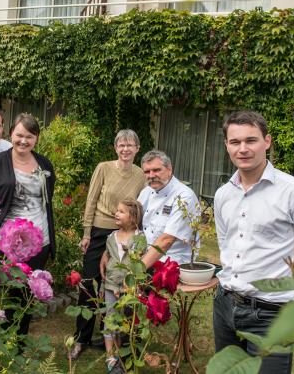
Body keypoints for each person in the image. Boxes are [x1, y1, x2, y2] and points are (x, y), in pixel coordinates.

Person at [213, 110, 294, 374]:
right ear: (227, 146)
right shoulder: (222, 195)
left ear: (267, 141)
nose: (243, 149)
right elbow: (225, 245)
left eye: (251, 140)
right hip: (224, 306)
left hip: (271, 315)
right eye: (235, 142)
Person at [69, 129, 145, 360]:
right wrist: (86, 233)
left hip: (126, 234)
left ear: (137, 149)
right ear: (115, 148)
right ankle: (81, 338)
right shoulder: (103, 168)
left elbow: (140, 208)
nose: (125, 149)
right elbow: (91, 200)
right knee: (90, 283)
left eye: (130, 145)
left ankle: (115, 337)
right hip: (100, 230)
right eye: (121, 145)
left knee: (122, 284)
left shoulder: (141, 175)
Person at [0, 113, 55, 335]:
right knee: (3, 294)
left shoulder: (44, 164)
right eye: (19, 135)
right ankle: (0, 345)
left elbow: (46, 200)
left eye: (29, 136)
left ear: (36, 139)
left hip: (38, 243)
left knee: (26, 296)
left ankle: (19, 342)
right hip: (6, 244)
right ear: (11, 133)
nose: (23, 141)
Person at [100, 198, 143, 374]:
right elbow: (109, 257)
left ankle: (124, 354)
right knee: (110, 319)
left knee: (127, 322)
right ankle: (111, 356)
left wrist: (132, 286)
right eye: (116, 210)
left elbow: (139, 264)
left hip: (129, 289)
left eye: (121, 211)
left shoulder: (140, 239)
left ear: (133, 218)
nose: (115, 214)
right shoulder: (111, 236)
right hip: (110, 285)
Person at [137, 150, 198, 269]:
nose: (151, 175)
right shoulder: (146, 192)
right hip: (146, 258)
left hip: (172, 263)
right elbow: (132, 224)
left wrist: (137, 271)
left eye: (156, 170)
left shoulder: (184, 196)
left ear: (169, 169)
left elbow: (166, 240)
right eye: (147, 171)